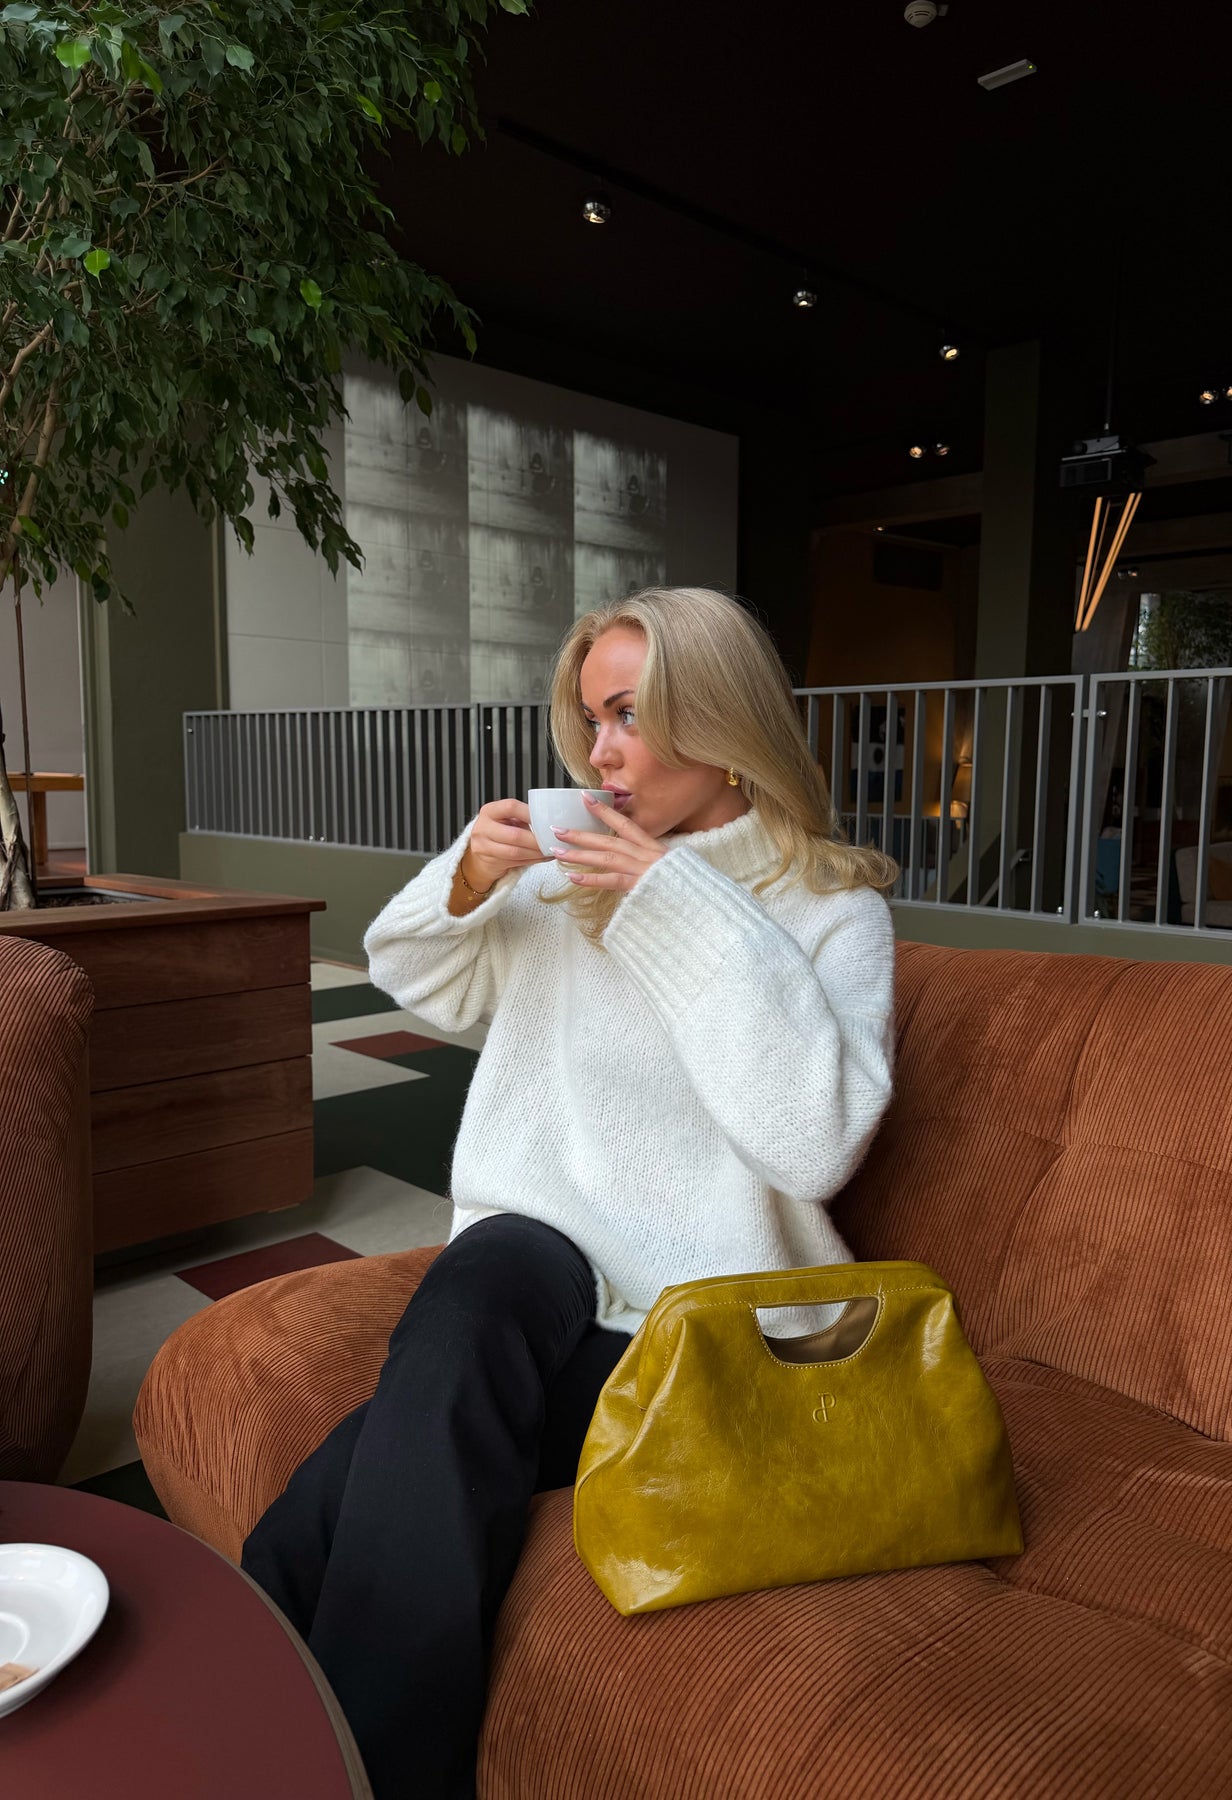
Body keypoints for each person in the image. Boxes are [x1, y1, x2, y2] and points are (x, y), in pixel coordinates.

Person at [241, 586, 900, 1799]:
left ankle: (243, 1700)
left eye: (630, 716)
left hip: (704, 1311)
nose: (599, 752)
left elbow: (812, 1145)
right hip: (540, 1259)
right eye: (593, 718)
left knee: (383, 1451)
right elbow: (413, 977)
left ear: (723, 723)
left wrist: (672, 899)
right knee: (477, 1282)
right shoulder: (561, 883)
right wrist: (469, 874)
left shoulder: (832, 909)